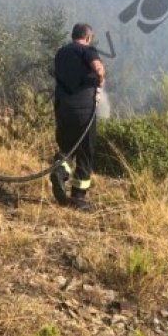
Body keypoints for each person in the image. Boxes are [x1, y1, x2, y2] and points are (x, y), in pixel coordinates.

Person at [50, 23, 105, 211]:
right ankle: (78, 199)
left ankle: (58, 171)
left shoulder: (61, 52)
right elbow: (98, 69)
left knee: (66, 147)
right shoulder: (87, 50)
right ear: (88, 37)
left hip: (62, 109)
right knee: (85, 153)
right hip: (84, 112)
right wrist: (101, 80)